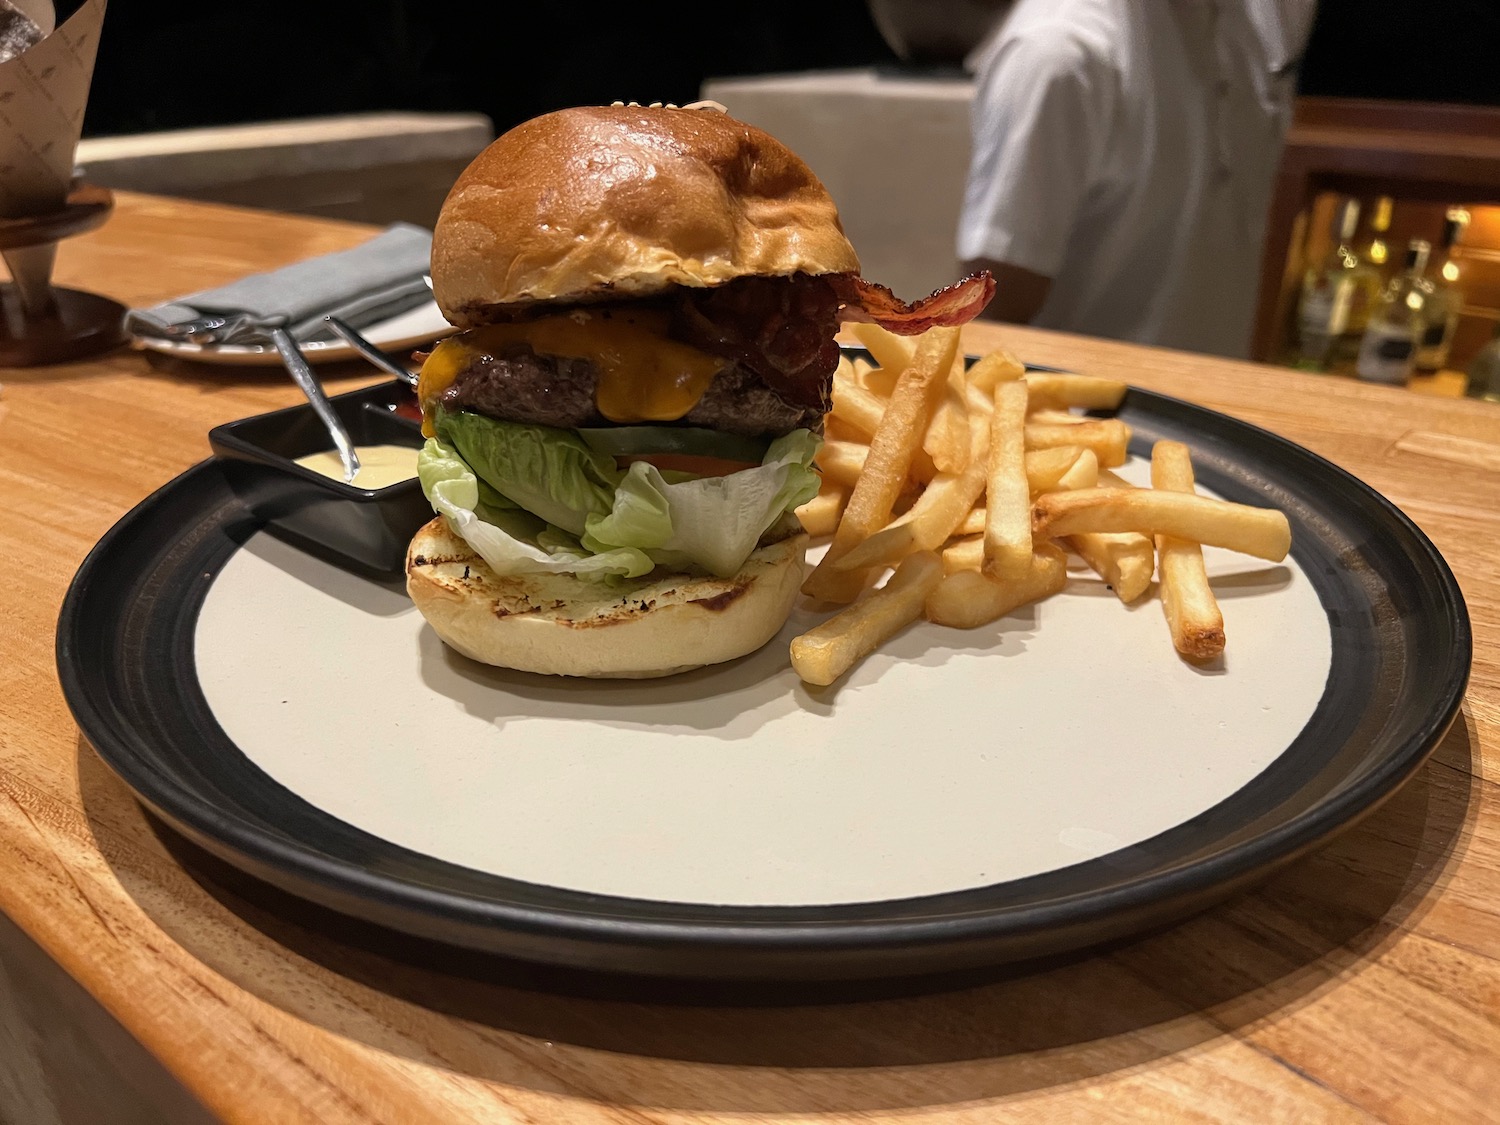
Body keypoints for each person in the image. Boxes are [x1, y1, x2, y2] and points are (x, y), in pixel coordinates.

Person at [956, 0, 1317, 358]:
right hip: (1096, 409)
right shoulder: (1059, 54)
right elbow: (995, 316)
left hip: (1224, 394)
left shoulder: (1246, 24)